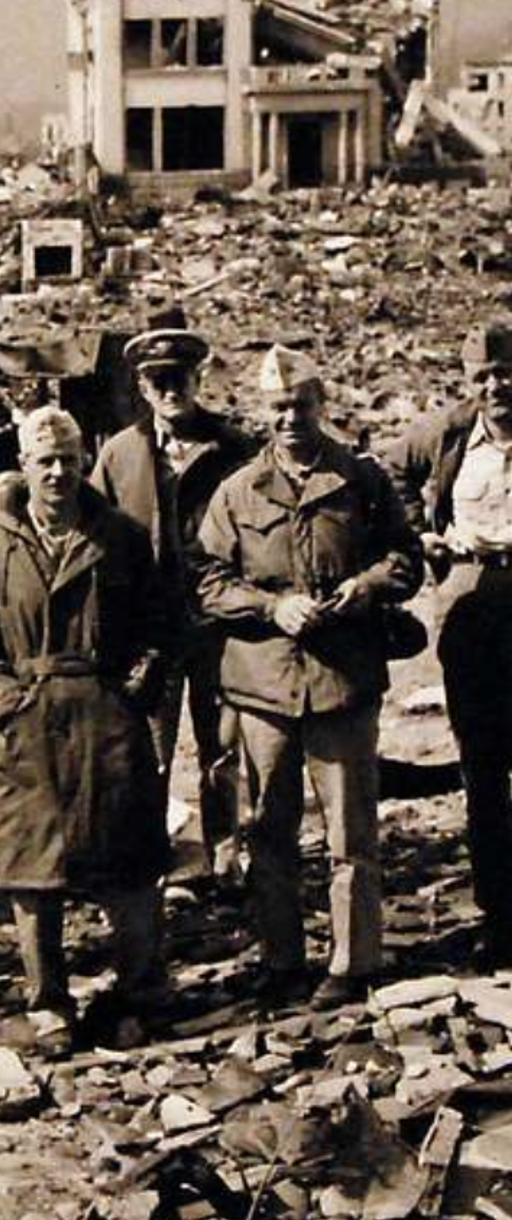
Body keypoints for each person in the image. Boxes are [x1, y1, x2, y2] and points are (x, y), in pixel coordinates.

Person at [197, 346, 422, 1009]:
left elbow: (406, 557)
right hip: (264, 686)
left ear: (321, 404)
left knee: (351, 833)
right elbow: (208, 580)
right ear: (261, 411)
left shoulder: (361, 479)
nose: (290, 418)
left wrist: (368, 585)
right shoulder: (238, 491)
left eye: (300, 405)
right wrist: (272, 607)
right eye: (278, 407)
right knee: (270, 830)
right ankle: (282, 961)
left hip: (342, 681)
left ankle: (354, 963)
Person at [0, 407, 172, 1049]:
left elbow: (160, 623)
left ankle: (141, 993)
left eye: (68, 460)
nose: (57, 473)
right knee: (31, 868)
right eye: (44, 461)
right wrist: (4, 701)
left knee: (128, 858)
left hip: (107, 717)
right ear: (23, 464)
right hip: (29, 723)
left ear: (84, 462)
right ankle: (48, 1003)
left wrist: (138, 685)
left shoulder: (121, 537)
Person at [91, 316, 255, 876]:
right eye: (158, 379)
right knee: (151, 751)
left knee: (222, 748)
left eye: (179, 377)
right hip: (152, 632)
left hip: (217, 625)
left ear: (197, 378)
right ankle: (154, 867)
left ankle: (225, 861)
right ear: (141, 387)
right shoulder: (119, 456)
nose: (170, 390)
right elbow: (96, 536)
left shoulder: (233, 448)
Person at [387, 321, 512, 966]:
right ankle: (501, 915)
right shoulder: (449, 434)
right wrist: (421, 538)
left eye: (506, 373)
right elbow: (391, 472)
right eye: (482, 377)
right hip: (471, 597)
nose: (496, 386)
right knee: (484, 763)